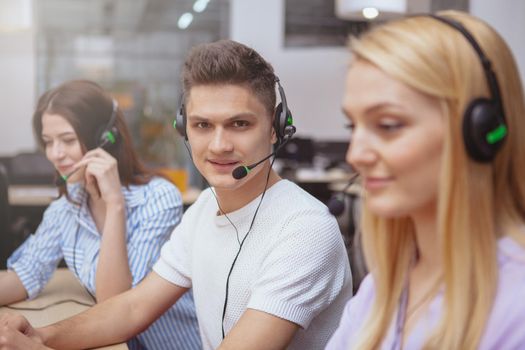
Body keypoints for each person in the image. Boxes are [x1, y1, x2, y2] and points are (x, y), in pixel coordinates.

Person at [0, 40, 353, 350]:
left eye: (239, 124)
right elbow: (132, 307)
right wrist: (38, 335)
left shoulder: (305, 230)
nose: (219, 145)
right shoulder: (204, 208)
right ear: (184, 128)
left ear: (276, 129)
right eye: (202, 125)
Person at [326, 10, 525, 350]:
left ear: (480, 132)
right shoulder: (380, 290)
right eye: (352, 126)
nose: (355, 155)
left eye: (388, 125)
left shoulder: (515, 304)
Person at [0, 80, 201, 349]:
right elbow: (27, 273)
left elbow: (115, 303)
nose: (55, 154)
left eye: (68, 140)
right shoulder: (67, 207)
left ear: (104, 139)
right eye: (48, 142)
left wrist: (114, 202)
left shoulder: (158, 199)